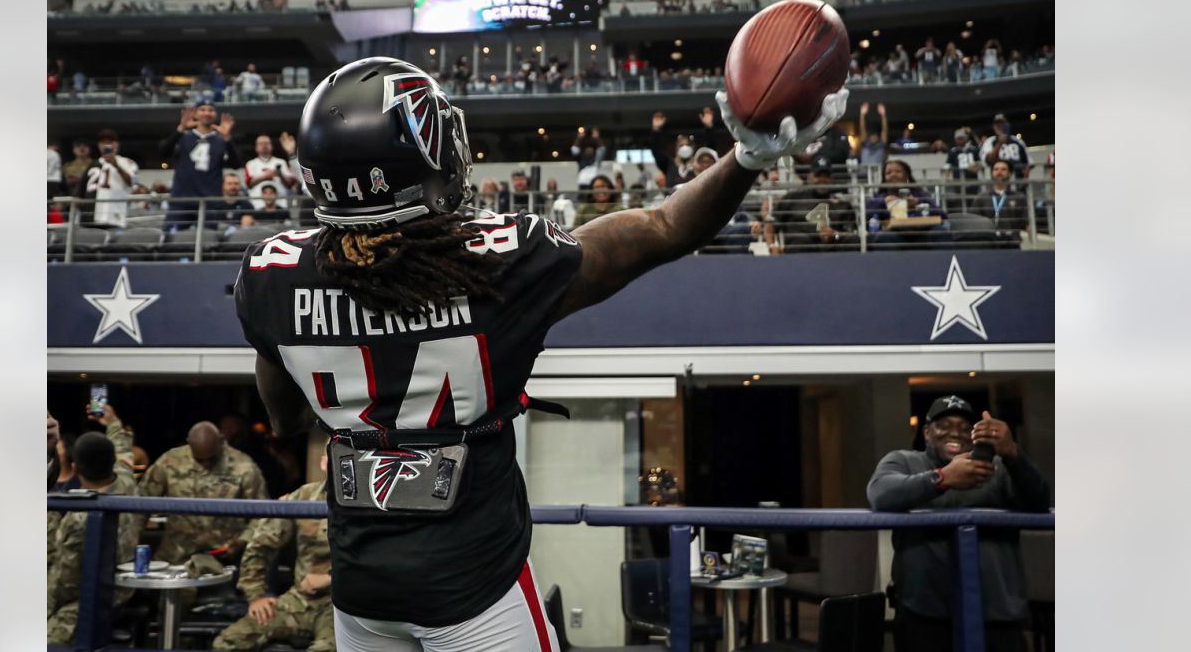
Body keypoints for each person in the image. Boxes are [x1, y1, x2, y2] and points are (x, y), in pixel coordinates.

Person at [232, 56, 847, 649]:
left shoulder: (269, 275)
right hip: (475, 592)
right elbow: (663, 228)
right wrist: (746, 158)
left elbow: (284, 420)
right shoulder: (495, 262)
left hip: (361, 596)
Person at [867, 395, 1051, 652]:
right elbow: (880, 493)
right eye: (944, 425)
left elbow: (1040, 501)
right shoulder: (905, 461)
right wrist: (941, 478)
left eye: (966, 428)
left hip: (995, 611)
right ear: (927, 432)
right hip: (924, 610)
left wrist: (1012, 453)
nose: (956, 433)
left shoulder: (995, 468)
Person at [212, 460, 334, 652]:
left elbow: (381, 564)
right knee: (227, 643)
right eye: (331, 457)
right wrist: (256, 595)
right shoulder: (304, 497)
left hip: (343, 605)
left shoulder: (372, 505)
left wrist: (329, 579)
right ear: (323, 463)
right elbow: (260, 545)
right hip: (301, 600)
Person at [48, 405, 142, 644]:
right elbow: (123, 450)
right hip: (121, 591)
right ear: (113, 463)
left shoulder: (79, 517)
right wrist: (112, 420)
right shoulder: (127, 483)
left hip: (86, 597)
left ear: (76, 469)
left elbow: (64, 583)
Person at [138, 421, 268, 565]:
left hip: (224, 557)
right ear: (189, 444)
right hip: (177, 556)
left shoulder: (243, 466)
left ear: (221, 441)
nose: (206, 465)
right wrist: (131, 544)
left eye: (211, 459)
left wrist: (242, 541)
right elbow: (141, 504)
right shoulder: (170, 462)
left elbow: (261, 515)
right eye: (200, 459)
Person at [161, 101, 242, 232]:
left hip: (210, 201)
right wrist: (181, 128)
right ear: (196, 114)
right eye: (202, 109)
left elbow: (236, 164)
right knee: (171, 240)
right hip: (181, 199)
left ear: (215, 115)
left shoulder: (220, 140)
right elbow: (163, 152)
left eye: (210, 110)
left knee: (208, 242)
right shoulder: (183, 137)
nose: (207, 113)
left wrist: (227, 137)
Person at [765, 165, 858, 254]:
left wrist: (835, 235)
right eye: (818, 176)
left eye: (826, 176)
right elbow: (770, 224)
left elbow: (851, 233)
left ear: (831, 179)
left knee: (854, 241)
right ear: (809, 178)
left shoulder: (842, 204)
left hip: (833, 253)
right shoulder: (792, 198)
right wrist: (772, 246)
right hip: (800, 251)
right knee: (801, 240)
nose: (822, 180)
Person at [864, 159, 950, 250]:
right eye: (888, 173)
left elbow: (942, 215)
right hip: (894, 235)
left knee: (939, 232)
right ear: (884, 178)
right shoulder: (879, 198)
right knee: (883, 237)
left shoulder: (920, 194)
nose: (893, 175)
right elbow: (865, 216)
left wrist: (918, 203)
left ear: (906, 176)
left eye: (898, 171)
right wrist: (883, 202)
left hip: (922, 233)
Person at [76, 129, 138, 229]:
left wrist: (116, 165)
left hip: (114, 215)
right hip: (90, 215)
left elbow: (132, 182)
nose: (106, 145)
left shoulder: (127, 162)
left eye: (110, 142)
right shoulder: (92, 164)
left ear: (117, 144)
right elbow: (81, 191)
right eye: (102, 142)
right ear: (98, 145)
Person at [971, 160, 1028, 247]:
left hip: (1012, 244)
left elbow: (1026, 223)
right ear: (992, 173)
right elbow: (974, 223)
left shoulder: (1019, 197)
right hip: (988, 244)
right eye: (996, 169)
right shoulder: (981, 198)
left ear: (1010, 173)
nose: (999, 172)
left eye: (1003, 169)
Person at [244, 133, 297, 208]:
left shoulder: (281, 162)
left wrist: (280, 174)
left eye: (267, 143)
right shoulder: (250, 164)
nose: (264, 145)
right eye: (261, 143)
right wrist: (266, 175)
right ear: (256, 147)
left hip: (280, 204)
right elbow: (248, 183)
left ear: (272, 146)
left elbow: (291, 183)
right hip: (257, 205)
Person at [978, 113, 1030, 178]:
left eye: (1002, 124)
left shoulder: (1018, 141)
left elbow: (1027, 163)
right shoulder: (989, 141)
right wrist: (999, 143)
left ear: (1008, 125)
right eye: (997, 124)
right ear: (994, 126)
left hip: (1017, 182)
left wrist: (1024, 182)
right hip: (997, 183)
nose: (1000, 126)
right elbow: (989, 160)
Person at [946, 127, 983, 195]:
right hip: (958, 180)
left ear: (966, 138)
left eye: (962, 138)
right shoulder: (953, 151)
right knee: (960, 198)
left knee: (973, 197)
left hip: (972, 179)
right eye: (958, 138)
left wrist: (976, 167)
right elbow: (948, 165)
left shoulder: (974, 149)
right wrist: (948, 177)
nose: (960, 140)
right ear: (955, 139)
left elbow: (980, 162)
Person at [857, 102, 888, 176]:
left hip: (878, 173)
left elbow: (885, 130)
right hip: (864, 174)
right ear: (869, 137)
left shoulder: (881, 145)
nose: (873, 137)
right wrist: (862, 115)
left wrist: (883, 115)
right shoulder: (865, 144)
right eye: (872, 136)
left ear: (878, 137)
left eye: (875, 136)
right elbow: (862, 129)